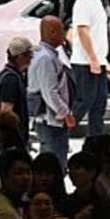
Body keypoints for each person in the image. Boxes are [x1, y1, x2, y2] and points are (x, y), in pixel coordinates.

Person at [68, 0, 110, 137]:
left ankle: (97, 140)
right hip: (85, 62)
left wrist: (100, 60)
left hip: (98, 61)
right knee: (83, 103)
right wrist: (93, 58)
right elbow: (82, 31)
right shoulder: (84, 2)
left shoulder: (97, 1)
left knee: (99, 104)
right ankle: (60, 133)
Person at [28, 16, 76, 165]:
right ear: (53, 32)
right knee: (54, 164)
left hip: (53, 120)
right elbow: (49, 92)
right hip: (50, 121)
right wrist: (65, 113)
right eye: (62, 30)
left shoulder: (48, 55)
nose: (64, 34)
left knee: (55, 161)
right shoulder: (45, 58)